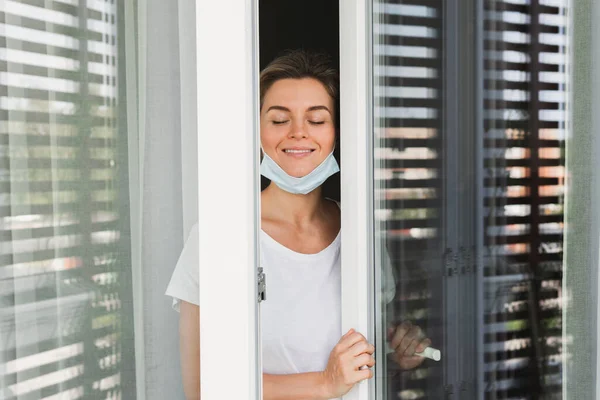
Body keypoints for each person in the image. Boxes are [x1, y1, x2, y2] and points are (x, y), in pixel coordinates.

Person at [165, 49, 432, 400]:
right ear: (256, 130)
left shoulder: (360, 235)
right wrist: (324, 383)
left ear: (338, 132)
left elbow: (360, 370)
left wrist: (396, 357)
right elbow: (201, 389)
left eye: (317, 120)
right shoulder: (219, 236)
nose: (298, 134)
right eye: (279, 120)